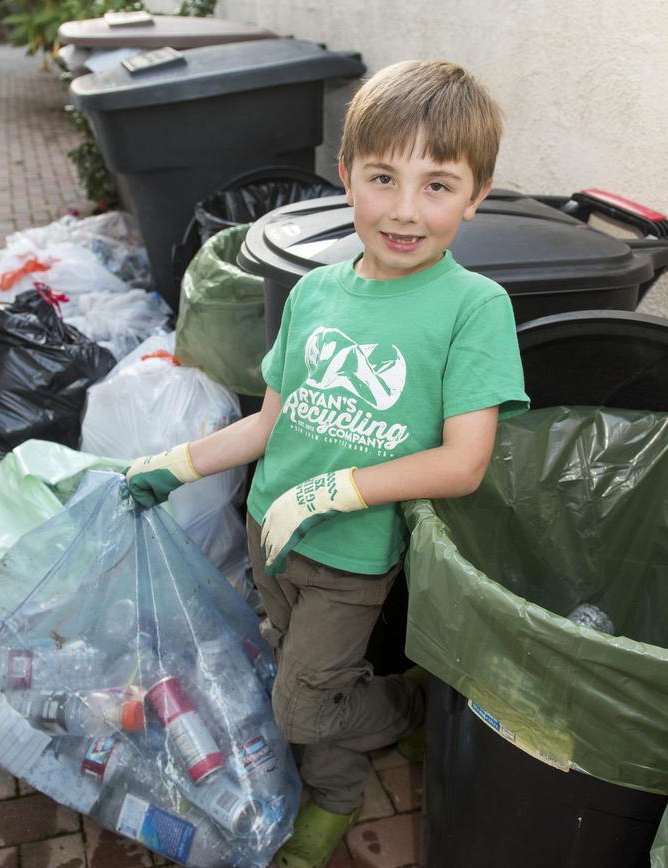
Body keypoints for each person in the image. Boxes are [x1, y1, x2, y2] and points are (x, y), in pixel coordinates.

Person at [124, 59, 529, 868]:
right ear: (346, 176)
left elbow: (465, 462)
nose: (406, 211)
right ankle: (336, 761)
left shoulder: (473, 307)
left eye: (438, 186)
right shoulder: (313, 293)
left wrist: (336, 489)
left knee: (304, 707)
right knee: (291, 671)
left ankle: (380, 736)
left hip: (350, 555)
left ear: (477, 194)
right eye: (383, 177)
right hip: (269, 531)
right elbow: (271, 425)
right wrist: (176, 462)